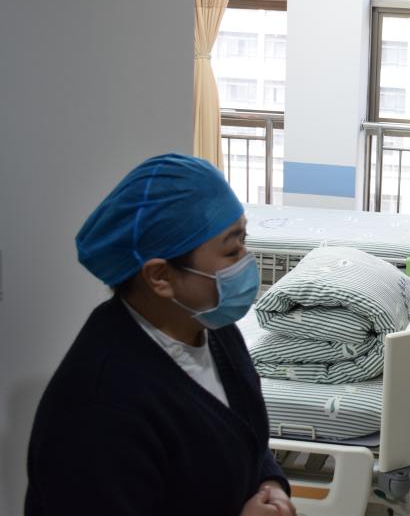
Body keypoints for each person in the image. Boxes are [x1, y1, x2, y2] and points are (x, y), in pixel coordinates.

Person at [25, 154, 296, 516]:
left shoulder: (212, 326)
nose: (247, 260)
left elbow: (243, 434)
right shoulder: (99, 409)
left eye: (244, 239)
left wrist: (270, 483)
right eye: (232, 250)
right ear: (160, 277)